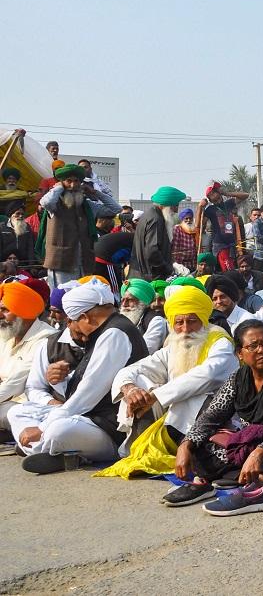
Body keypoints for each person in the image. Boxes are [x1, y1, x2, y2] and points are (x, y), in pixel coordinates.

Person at [166, 320, 263, 511]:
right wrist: (185, 445)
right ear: (240, 353)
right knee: (198, 449)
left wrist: (258, 453)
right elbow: (211, 415)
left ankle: (255, 483)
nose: (261, 350)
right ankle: (249, 477)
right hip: (249, 443)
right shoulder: (238, 379)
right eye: (252, 346)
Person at [8, 280, 149, 473]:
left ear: (85, 317)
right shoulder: (105, 331)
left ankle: (42, 449)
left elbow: (88, 392)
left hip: (111, 428)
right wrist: (57, 381)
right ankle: (56, 453)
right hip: (89, 418)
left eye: (75, 323)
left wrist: (42, 428)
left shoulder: (114, 334)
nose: (76, 333)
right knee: (17, 412)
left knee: (58, 430)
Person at [97, 285, 237, 477]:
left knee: (190, 397)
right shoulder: (175, 344)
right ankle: (146, 446)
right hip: (176, 415)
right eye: (179, 322)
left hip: (219, 415)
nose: (186, 329)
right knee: (139, 384)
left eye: (192, 321)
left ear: (203, 320)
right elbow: (133, 369)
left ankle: (184, 449)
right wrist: (130, 389)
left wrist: (155, 396)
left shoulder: (219, 341)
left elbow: (209, 374)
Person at [37, 163, 123, 288]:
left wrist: (95, 192)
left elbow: (115, 209)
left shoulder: (87, 206)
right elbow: (45, 202)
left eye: (76, 181)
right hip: (61, 263)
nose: (73, 185)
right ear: (62, 182)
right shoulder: (55, 205)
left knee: (81, 300)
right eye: (68, 181)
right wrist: (59, 188)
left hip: (83, 262)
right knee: (61, 300)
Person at [0, 282, 57, 435]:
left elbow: (15, 384)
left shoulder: (46, 338)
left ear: (23, 312)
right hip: (5, 398)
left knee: (10, 413)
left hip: (26, 404)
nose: (0, 315)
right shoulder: (6, 334)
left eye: (5, 310)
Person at [130, 186, 185, 281]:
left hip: (143, 275)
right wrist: (168, 270)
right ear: (166, 205)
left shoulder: (150, 215)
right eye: (175, 206)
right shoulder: (156, 219)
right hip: (149, 279)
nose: (176, 210)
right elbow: (152, 251)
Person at [199, 182, 248, 271]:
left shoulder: (229, 203)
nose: (214, 196)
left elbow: (245, 195)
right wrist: (200, 207)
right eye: (211, 195)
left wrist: (226, 193)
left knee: (232, 269)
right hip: (220, 246)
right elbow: (200, 224)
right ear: (209, 199)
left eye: (214, 192)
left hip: (232, 245)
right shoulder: (210, 209)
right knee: (229, 271)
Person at [120, 278, 169, 354]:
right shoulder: (120, 320)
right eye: (123, 300)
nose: (124, 304)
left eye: (130, 300)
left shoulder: (156, 321)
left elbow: (144, 351)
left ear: (142, 302)